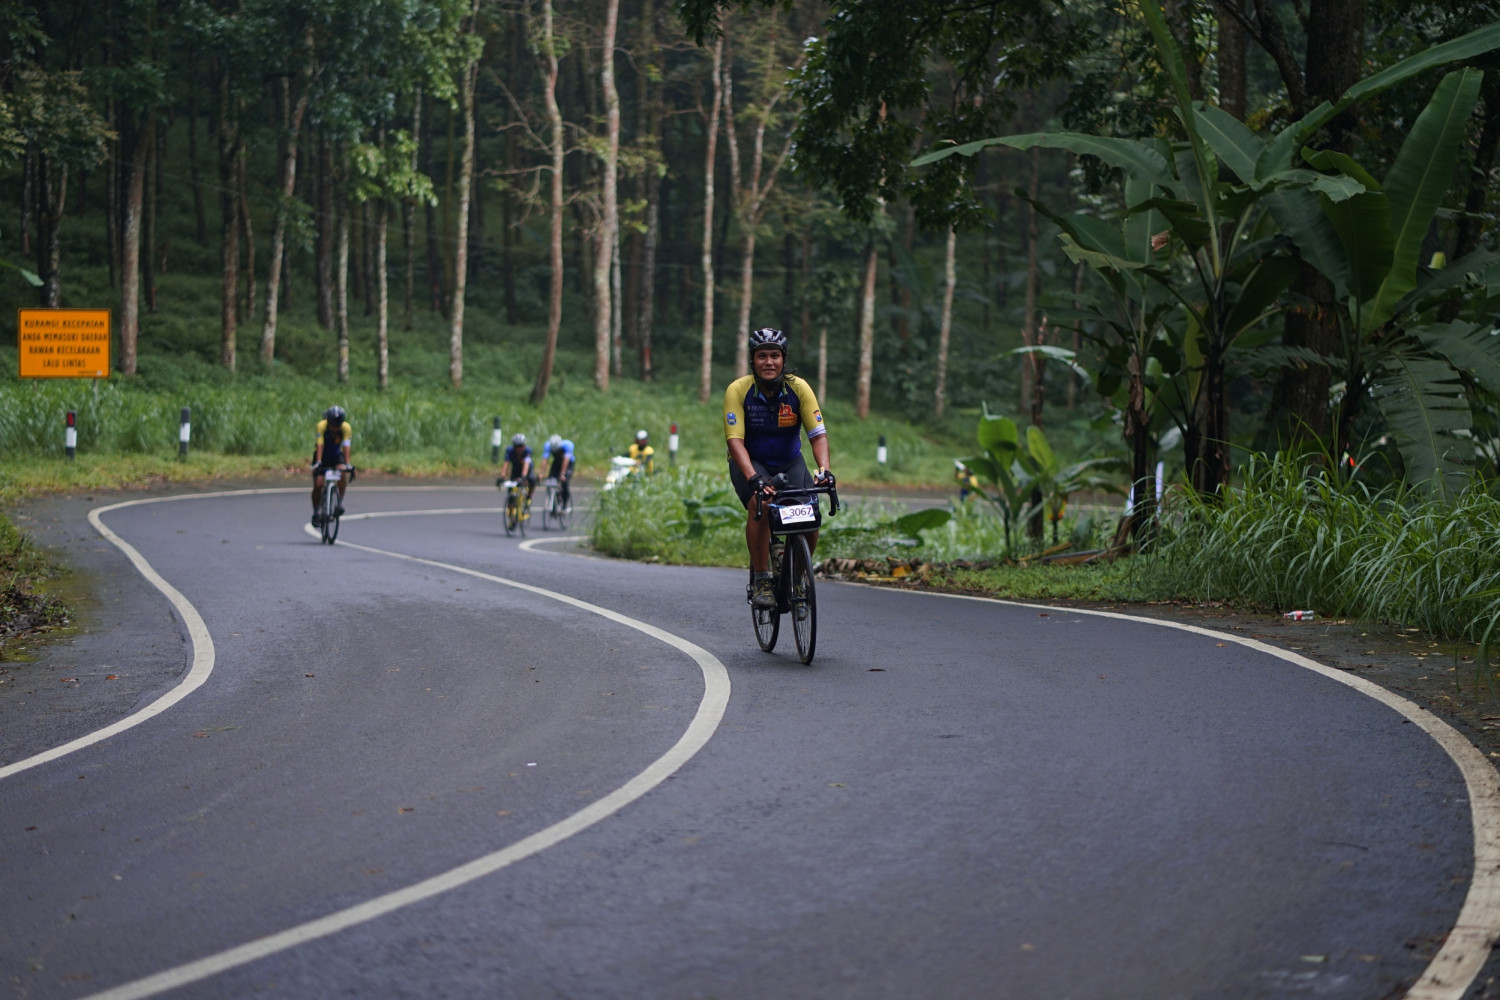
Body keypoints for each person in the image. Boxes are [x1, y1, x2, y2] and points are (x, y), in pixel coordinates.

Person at [724, 327, 833, 609]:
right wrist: (754, 478)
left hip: (789, 461)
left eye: (775, 355)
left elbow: (818, 435)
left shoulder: (799, 388)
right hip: (750, 460)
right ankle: (762, 579)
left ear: (784, 358)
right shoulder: (739, 390)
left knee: (810, 515)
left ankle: (797, 578)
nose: (769, 362)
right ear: (753, 360)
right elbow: (735, 441)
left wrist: (824, 470)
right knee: (760, 504)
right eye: (762, 356)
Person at [311, 405, 353, 526]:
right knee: (318, 485)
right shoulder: (321, 426)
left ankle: (339, 503)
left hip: (336, 456)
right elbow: (320, 444)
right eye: (333, 425)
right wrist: (318, 462)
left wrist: (348, 464)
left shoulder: (346, 428)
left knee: (343, 473)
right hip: (322, 455)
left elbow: (346, 446)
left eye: (337, 425)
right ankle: (316, 513)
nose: (335, 428)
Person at [541, 434, 576, 509]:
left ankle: (565, 504)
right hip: (556, 463)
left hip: (568, 464)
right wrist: (541, 473)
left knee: (564, 482)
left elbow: (566, 461)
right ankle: (553, 500)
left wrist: (563, 474)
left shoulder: (567, 445)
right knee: (550, 480)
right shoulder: (547, 446)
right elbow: (545, 460)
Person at [500, 432, 537, 502]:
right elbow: (506, 464)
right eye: (516, 446)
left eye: (521, 446)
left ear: (524, 445)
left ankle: (529, 497)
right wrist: (502, 476)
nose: (519, 448)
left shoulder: (527, 451)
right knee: (511, 492)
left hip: (527, 470)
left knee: (532, 479)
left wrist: (523, 476)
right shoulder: (510, 451)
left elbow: (526, 464)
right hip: (516, 469)